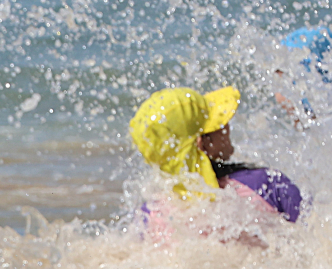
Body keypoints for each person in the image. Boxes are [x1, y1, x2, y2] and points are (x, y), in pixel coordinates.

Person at [129, 87, 302, 241]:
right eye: (217, 123)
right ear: (201, 143)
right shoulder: (267, 184)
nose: (227, 126)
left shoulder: (149, 215)